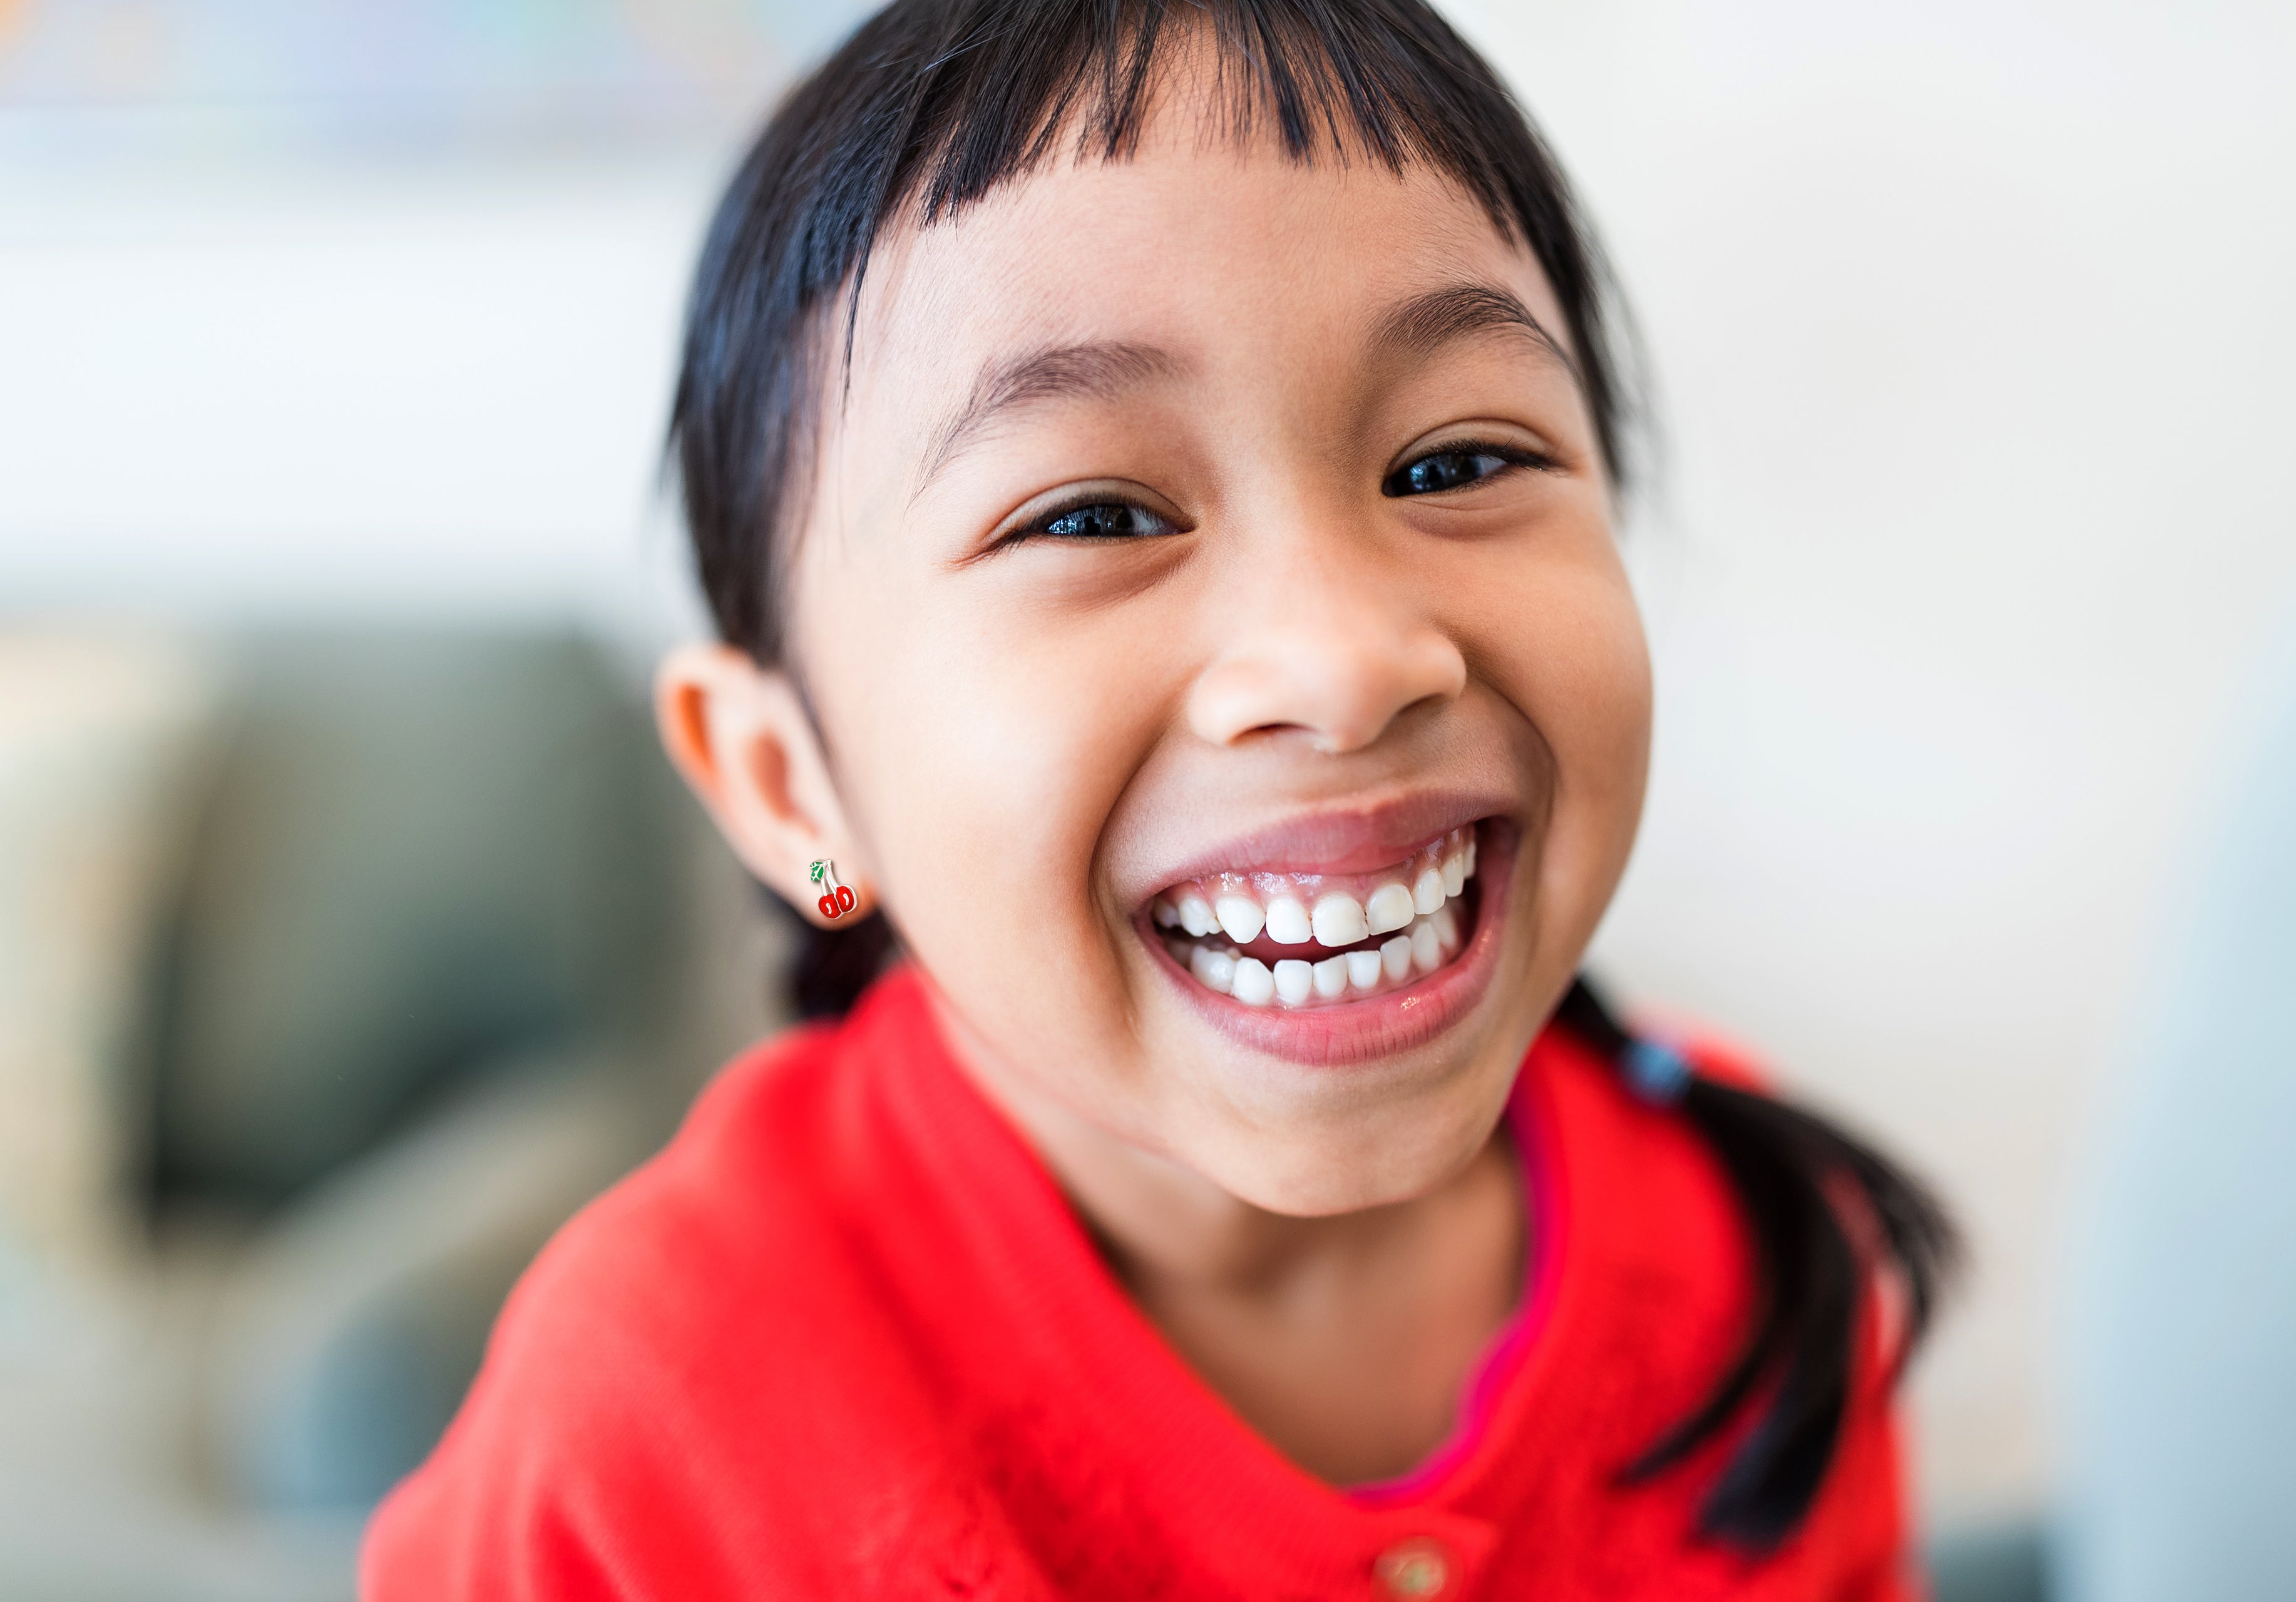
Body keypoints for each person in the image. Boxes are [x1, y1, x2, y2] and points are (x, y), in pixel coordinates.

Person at [362, 1, 1955, 1594]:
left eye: (1456, 463)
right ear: (794, 790)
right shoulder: (649, 1430)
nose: (1343, 663)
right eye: (1097, 512)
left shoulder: (1753, 1242)